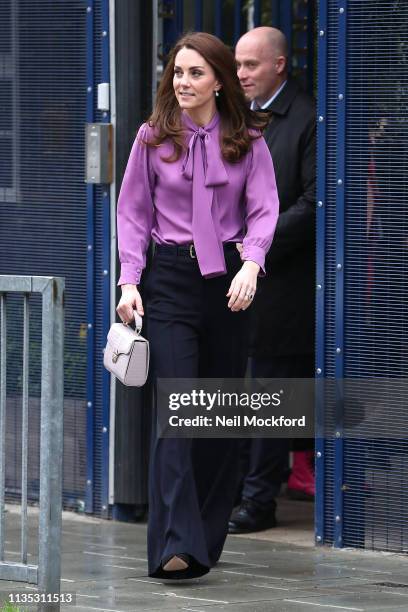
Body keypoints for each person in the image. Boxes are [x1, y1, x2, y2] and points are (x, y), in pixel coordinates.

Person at [115, 32, 279, 579]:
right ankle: (173, 543)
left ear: (218, 82)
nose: (182, 82)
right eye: (177, 73)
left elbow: (264, 210)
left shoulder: (248, 139)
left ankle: (203, 541)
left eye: (194, 73)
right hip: (169, 281)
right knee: (177, 412)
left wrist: (253, 265)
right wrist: (129, 281)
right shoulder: (151, 138)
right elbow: (133, 215)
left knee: (220, 418)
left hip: (230, 283)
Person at [229, 27, 316, 534]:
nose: (240, 74)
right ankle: (238, 490)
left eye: (251, 66)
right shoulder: (240, 117)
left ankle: (259, 500)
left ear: (279, 65)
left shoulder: (305, 117)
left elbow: (315, 203)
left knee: (268, 395)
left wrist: (253, 244)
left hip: (280, 285)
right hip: (240, 281)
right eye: (237, 65)